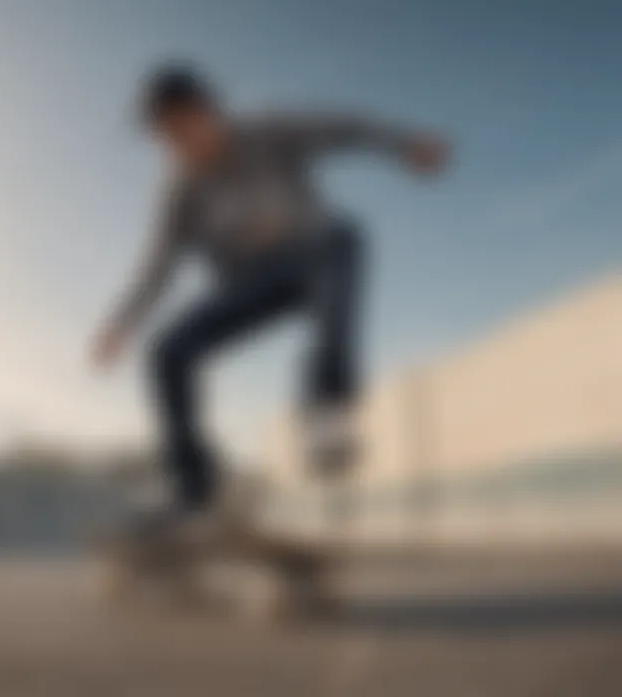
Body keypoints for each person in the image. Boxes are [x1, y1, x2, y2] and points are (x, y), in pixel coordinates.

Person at [91, 63, 449, 535]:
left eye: (183, 128)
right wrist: (123, 321)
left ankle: (326, 408)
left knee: (342, 236)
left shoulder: (265, 131)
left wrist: (403, 144)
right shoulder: (178, 192)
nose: (179, 145)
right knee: (167, 352)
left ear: (207, 110)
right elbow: (157, 266)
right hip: (249, 287)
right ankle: (192, 489)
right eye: (167, 138)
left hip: (311, 254)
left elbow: (345, 129)